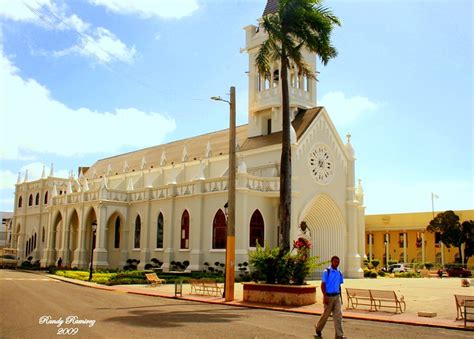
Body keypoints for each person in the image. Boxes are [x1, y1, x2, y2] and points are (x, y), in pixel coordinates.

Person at [315, 255, 345, 339]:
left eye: (338, 262)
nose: (337, 263)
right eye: (335, 261)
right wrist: (325, 296)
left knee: (338, 316)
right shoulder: (326, 271)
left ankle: (339, 335)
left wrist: (340, 297)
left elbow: (339, 285)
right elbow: (323, 285)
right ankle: (318, 328)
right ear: (331, 262)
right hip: (328, 296)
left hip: (336, 296)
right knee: (326, 315)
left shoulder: (339, 272)